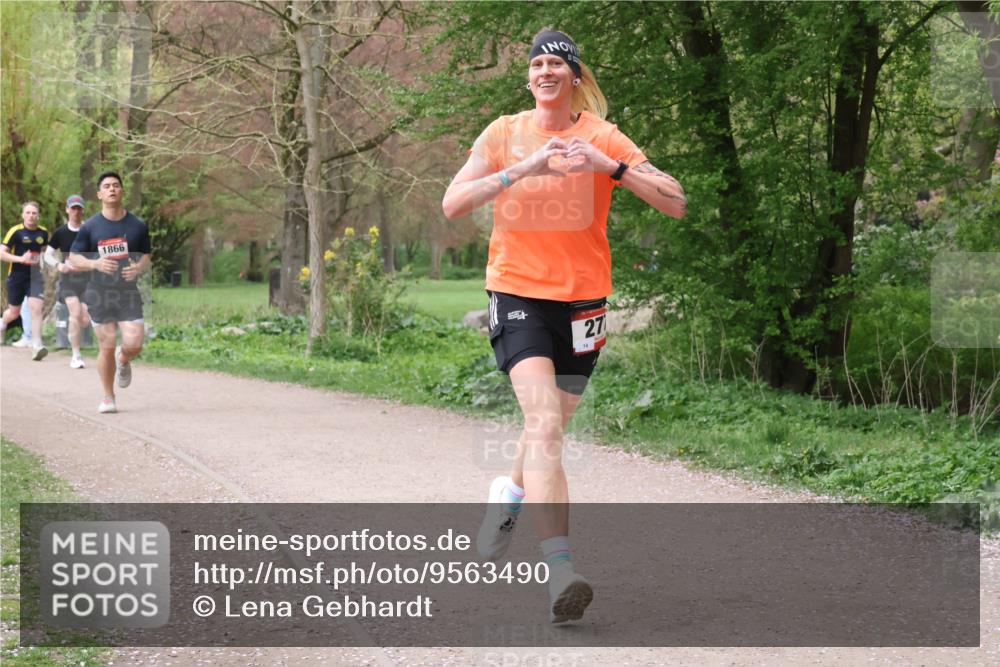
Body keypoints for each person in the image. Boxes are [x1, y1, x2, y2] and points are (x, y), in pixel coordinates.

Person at [442, 29, 686, 623]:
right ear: (529, 78)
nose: (545, 71)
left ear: (575, 76)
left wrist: (613, 167)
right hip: (517, 291)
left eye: (556, 63)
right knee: (545, 423)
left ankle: (508, 495)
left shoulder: (602, 137)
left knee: (547, 431)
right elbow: (452, 203)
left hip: (583, 306)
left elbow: (676, 201)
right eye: (537, 64)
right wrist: (521, 168)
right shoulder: (503, 132)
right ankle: (560, 574)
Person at [69, 171, 152, 414]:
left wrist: (137, 267)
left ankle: (124, 358)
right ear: (99, 194)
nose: (112, 189)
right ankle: (108, 396)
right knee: (106, 345)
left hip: (127, 292)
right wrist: (95, 264)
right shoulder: (90, 226)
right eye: (107, 186)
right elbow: (74, 256)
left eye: (116, 185)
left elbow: (146, 253)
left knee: (134, 343)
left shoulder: (137, 226)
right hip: (100, 293)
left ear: (122, 191)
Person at [44, 194, 93, 368]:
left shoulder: (90, 230)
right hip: (69, 281)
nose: (76, 211)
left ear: (83, 210)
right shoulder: (60, 233)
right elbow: (47, 255)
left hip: (88, 280)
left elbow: (99, 252)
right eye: (73, 208)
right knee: (75, 313)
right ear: (67, 209)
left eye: (79, 208)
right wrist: (59, 265)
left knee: (85, 319)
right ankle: (76, 356)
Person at [1, 201, 50, 360]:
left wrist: (43, 264)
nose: (31, 216)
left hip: (35, 277)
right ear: (23, 215)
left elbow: (43, 253)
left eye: (34, 213)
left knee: (36, 309)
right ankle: (2, 323)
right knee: (14, 312)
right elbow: (2, 254)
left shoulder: (43, 233)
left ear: (38, 215)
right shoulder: (15, 232)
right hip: (16, 277)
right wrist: (21, 259)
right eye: (28, 213)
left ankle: (37, 345)